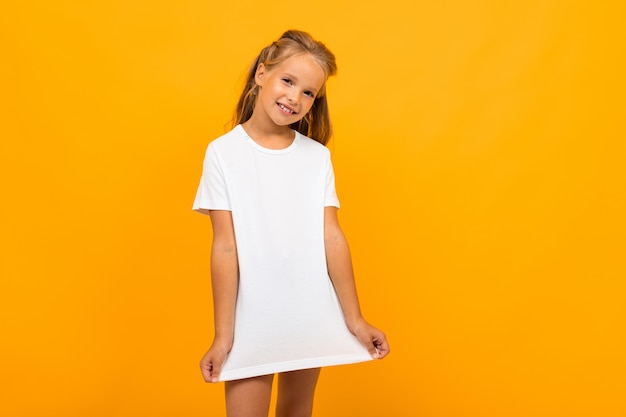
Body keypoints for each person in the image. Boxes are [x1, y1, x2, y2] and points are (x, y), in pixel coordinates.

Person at [193, 29, 389, 417]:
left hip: (309, 311)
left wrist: (355, 319)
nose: (295, 98)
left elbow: (331, 237)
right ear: (261, 74)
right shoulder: (223, 153)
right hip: (252, 317)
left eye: (308, 93)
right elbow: (225, 247)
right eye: (288, 81)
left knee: (297, 410)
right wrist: (223, 336)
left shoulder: (316, 158)